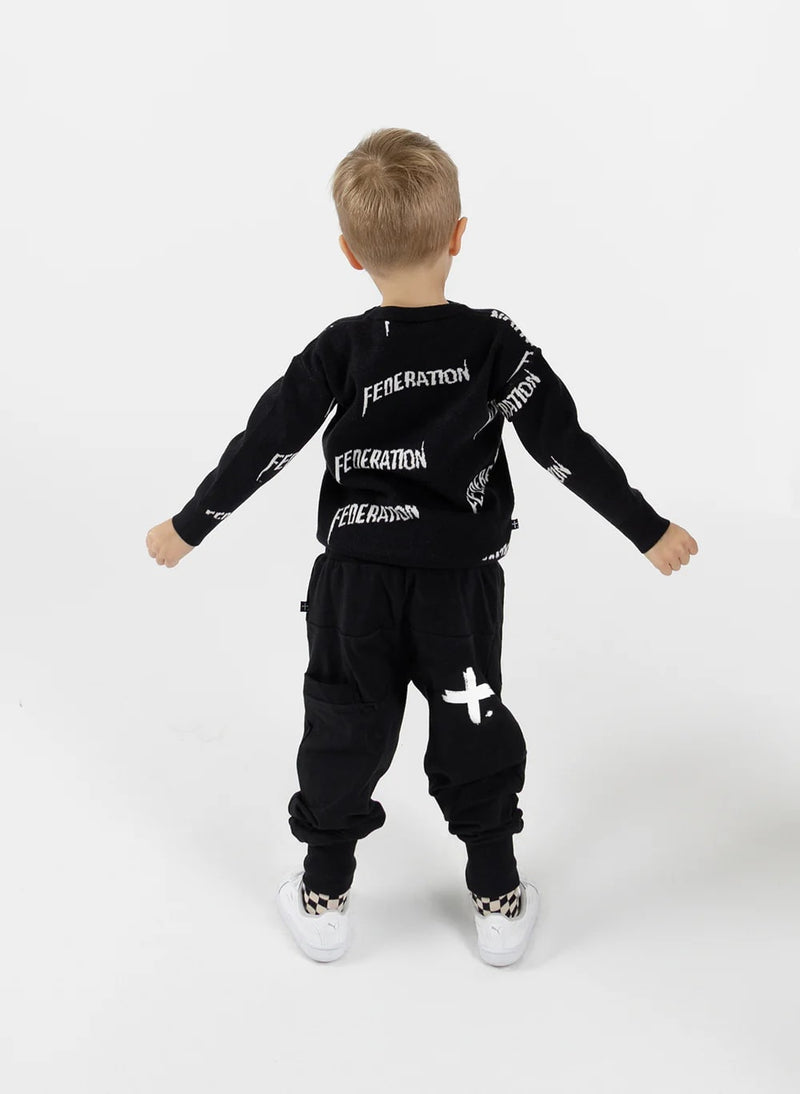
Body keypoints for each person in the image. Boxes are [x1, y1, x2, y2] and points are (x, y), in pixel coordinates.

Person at [145, 127, 699, 966]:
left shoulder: (341, 348)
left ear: (348, 252)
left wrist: (190, 525)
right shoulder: (494, 345)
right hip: (457, 590)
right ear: (458, 235)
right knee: (473, 721)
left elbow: (267, 441)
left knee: (345, 727)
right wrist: (646, 528)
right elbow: (564, 445)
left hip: (354, 588)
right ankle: (497, 895)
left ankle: (324, 893)